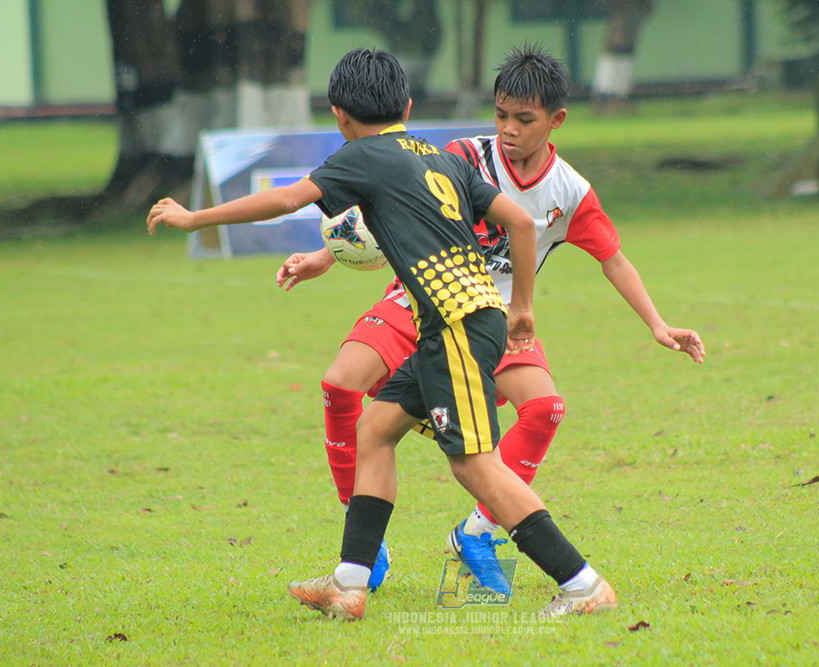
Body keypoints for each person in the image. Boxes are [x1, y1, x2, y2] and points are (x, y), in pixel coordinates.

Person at [147, 47, 617, 621]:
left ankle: (582, 583)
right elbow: (519, 222)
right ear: (408, 105)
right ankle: (349, 585)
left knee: (474, 465)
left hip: (456, 329)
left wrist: (196, 218)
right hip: (464, 321)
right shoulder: (437, 157)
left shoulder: (361, 156)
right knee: (374, 431)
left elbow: (288, 199)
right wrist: (520, 307)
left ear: (339, 116)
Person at [279, 46, 705, 595]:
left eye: (523, 120)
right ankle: (360, 556)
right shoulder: (464, 156)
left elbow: (613, 258)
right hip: (420, 301)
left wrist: (657, 324)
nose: (508, 129)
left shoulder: (571, 192)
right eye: (501, 115)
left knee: (543, 409)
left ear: (556, 121)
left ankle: (485, 534)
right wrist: (325, 256)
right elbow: (389, 215)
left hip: (495, 319)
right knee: (343, 387)